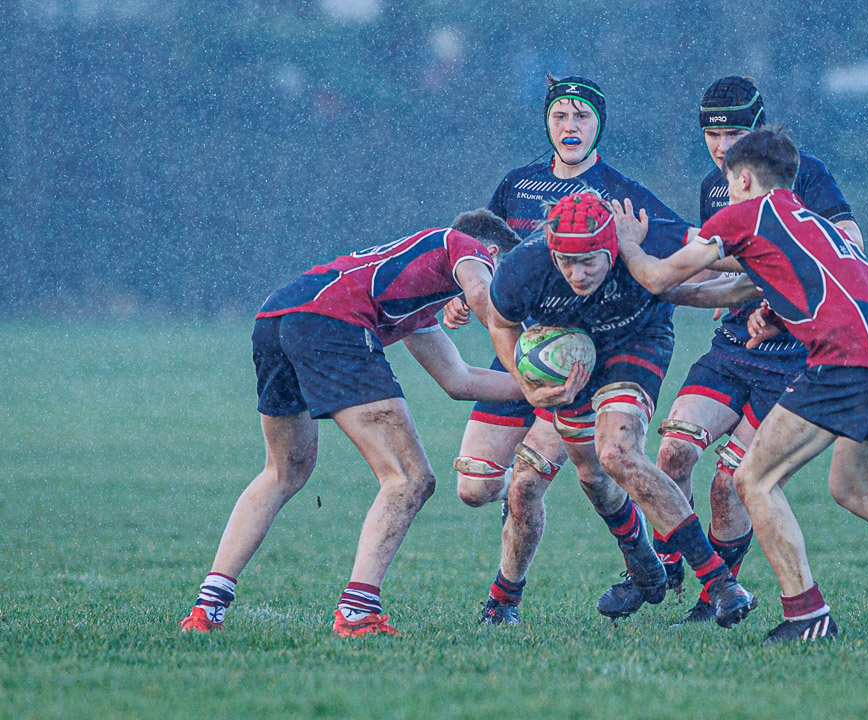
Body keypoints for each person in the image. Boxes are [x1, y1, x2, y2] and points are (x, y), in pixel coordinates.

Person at [612, 127, 868, 645]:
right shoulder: (813, 224)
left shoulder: (746, 214)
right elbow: (748, 287)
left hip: (848, 359)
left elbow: (660, 278)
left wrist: (627, 244)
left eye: (729, 182)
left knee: (752, 480)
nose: (726, 192)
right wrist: (776, 316)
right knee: (854, 489)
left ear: (744, 178)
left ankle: (807, 616)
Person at [177, 210, 530, 637]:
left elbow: (459, 380)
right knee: (409, 479)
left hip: (278, 316)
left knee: (282, 473)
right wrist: (530, 353)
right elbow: (482, 294)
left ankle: (207, 609)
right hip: (332, 319)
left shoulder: (415, 298)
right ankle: (358, 611)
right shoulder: (464, 245)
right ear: (491, 253)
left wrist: (541, 388)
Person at [447, 74, 682, 626]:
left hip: (582, 363)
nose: (569, 127)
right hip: (522, 354)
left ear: (599, 123)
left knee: (530, 484)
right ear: (547, 122)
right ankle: (638, 552)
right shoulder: (517, 186)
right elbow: (485, 256)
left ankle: (503, 603)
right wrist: (463, 299)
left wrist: (740, 272)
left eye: (580, 116)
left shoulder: (622, 193)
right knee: (476, 488)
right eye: (559, 116)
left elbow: (681, 248)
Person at [635, 76, 868, 623]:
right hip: (734, 345)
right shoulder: (712, 183)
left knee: (728, 484)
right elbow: (723, 260)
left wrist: (777, 288)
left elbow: (849, 244)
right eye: (711, 134)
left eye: (733, 132)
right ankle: (670, 560)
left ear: (758, 128)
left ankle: (719, 592)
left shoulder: (803, 172)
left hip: (792, 358)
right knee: (671, 453)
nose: (720, 146)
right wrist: (686, 288)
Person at [481, 192, 760, 629]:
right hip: (571, 358)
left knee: (617, 453)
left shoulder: (649, 234)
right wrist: (525, 383)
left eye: (589, 261)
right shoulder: (525, 267)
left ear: (612, 244)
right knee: (592, 476)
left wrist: (781, 273)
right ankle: (639, 555)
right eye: (566, 262)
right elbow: (501, 322)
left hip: (637, 344)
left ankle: (721, 584)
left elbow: (738, 254)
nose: (577, 273)